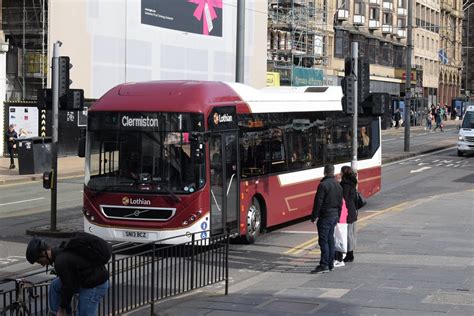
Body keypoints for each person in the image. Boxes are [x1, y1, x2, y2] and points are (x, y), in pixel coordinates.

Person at [26, 235, 110, 316]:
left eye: (40, 261)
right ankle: (57, 314)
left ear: (44, 253)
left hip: (95, 285)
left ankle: (62, 312)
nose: (42, 265)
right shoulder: (60, 250)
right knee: (55, 285)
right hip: (84, 279)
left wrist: (62, 308)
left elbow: (69, 287)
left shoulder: (60, 261)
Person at [310, 164, 343, 274]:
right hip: (334, 216)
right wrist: (338, 215)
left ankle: (324, 265)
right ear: (333, 172)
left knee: (323, 241)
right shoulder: (338, 185)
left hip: (325, 216)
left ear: (324, 172)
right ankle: (330, 264)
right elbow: (340, 202)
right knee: (330, 240)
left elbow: (318, 202)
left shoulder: (323, 185)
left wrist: (314, 216)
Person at [339, 166, 358, 263]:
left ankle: (349, 254)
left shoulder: (344, 185)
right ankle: (350, 253)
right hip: (352, 210)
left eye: (341, 172)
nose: (340, 174)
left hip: (347, 211)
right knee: (351, 233)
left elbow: (343, 199)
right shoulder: (352, 184)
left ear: (344, 174)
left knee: (348, 234)